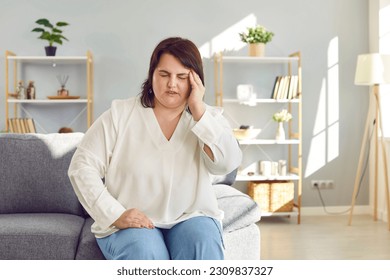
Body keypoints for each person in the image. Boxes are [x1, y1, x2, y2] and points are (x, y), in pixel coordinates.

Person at [68, 37, 242, 260]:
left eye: (182, 77)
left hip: (191, 216)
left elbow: (226, 164)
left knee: (203, 242)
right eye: (164, 75)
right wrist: (114, 214)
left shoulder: (209, 118)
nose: (172, 84)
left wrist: (198, 109)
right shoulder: (120, 114)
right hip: (133, 222)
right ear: (151, 76)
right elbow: (81, 167)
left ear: (196, 81)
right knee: (145, 251)